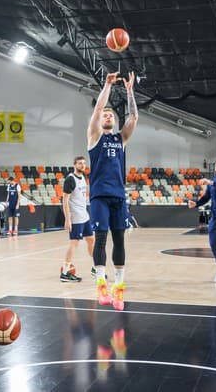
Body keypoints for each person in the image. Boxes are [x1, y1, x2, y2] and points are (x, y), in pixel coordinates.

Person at [88, 71, 138, 311]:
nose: (107, 115)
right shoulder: (94, 136)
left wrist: (129, 91)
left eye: (111, 114)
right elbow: (97, 109)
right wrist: (107, 85)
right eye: (105, 114)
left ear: (115, 121)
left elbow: (134, 118)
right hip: (99, 196)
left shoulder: (120, 139)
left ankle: (118, 290)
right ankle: (101, 284)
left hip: (118, 197)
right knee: (100, 239)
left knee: (119, 241)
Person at [61, 156, 95, 282]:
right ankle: (65, 273)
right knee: (74, 244)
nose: (82, 165)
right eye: (80, 163)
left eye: (84, 163)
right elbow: (65, 200)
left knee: (91, 240)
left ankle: (95, 268)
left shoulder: (84, 178)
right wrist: (67, 219)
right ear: (74, 165)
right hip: (75, 217)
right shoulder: (70, 179)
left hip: (84, 215)